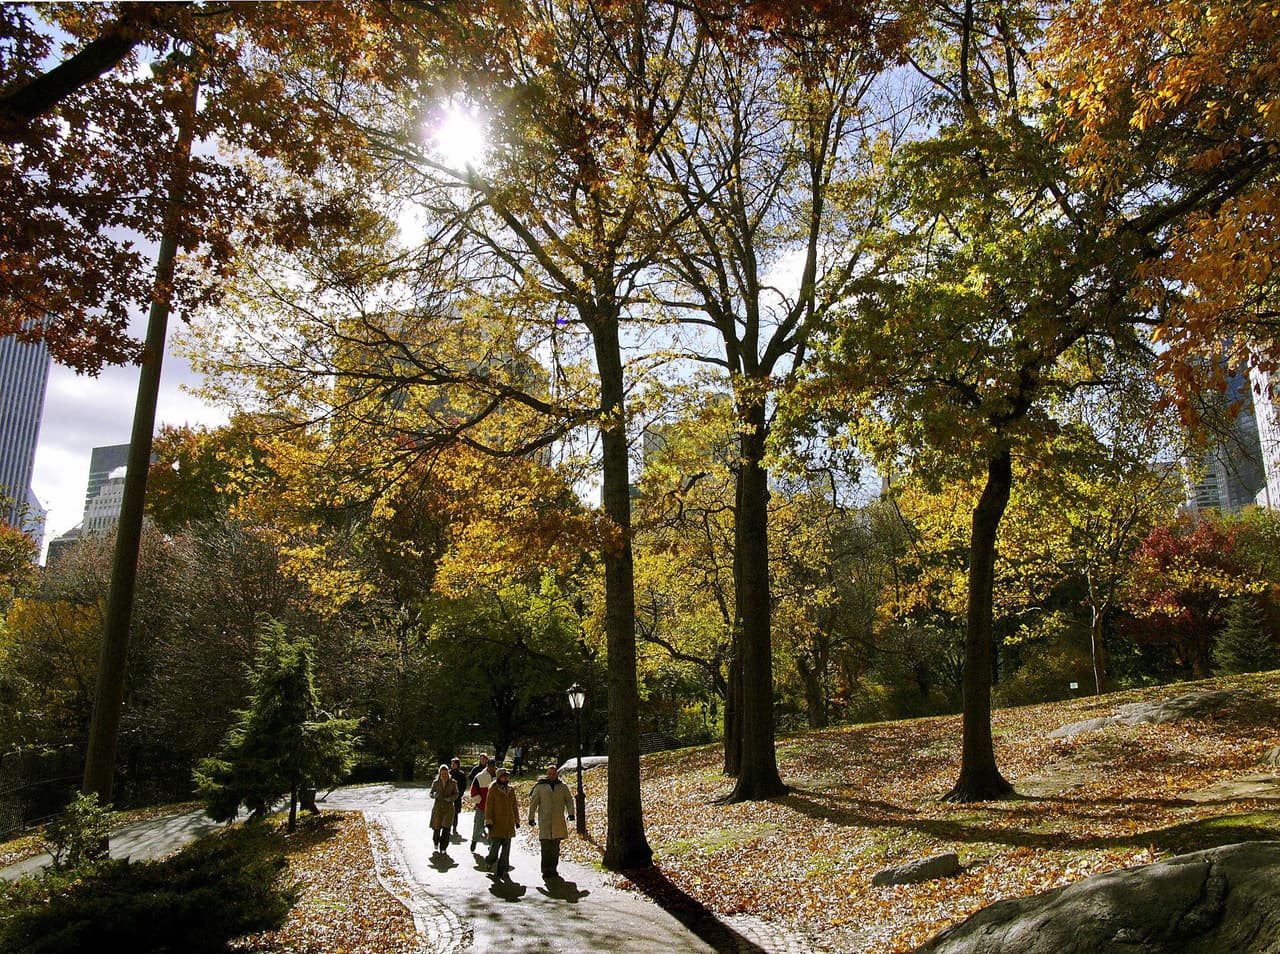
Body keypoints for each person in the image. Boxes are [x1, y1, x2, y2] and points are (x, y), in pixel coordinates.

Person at [527, 762, 574, 879]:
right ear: (547, 774)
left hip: (558, 821)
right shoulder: (540, 787)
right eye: (550, 773)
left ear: (557, 774)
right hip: (545, 820)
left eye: (554, 773)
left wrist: (571, 813)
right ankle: (546, 869)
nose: (552, 775)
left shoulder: (563, 787)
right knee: (546, 846)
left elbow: (569, 800)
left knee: (555, 847)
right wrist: (531, 818)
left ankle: (553, 868)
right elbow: (533, 803)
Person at [483, 766, 520, 877]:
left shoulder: (510, 790)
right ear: (499, 777)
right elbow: (489, 806)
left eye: (506, 777)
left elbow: (514, 806)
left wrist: (517, 820)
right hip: (496, 823)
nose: (505, 778)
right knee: (495, 848)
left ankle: (502, 869)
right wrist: (488, 820)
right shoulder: (493, 789)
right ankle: (490, 860)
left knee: (506, 849)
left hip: (508, 823)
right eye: (503, 777)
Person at [429, 764, 459, 853]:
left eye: (446, 773)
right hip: (438, 808)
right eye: (442, 774)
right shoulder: (436, 782)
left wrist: (451, 798)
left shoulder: (453, 782)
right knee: (437, 828)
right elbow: (431, 793)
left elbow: (456, 793)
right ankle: (436, 842)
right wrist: (434, 795)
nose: (444, 775)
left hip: (448, 809)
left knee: (446, 829)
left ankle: (443, 847)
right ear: (440, 774)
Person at [468, 759, 494, 852]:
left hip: (494, 808)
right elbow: (473, 790)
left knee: (493, 827)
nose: (493, 769)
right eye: (491, 767)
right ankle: (474, 841)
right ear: (487, 766)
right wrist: (479, 801)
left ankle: (492, 845)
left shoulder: (499, 777)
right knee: (478, 825)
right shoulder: (480, 776)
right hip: (482, 806)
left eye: (494, 767)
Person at [448, 757, 468, 842]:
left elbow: (464, 785)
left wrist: (460, 793)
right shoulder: (448, 773)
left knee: (455, 813)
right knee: (448, 812)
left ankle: (454, 827)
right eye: (452, 764)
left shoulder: (461, 774)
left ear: (457, 765)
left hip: (457, 796)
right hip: (449, 795)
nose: (452, 765)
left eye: (454, 764)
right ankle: (447, 827)